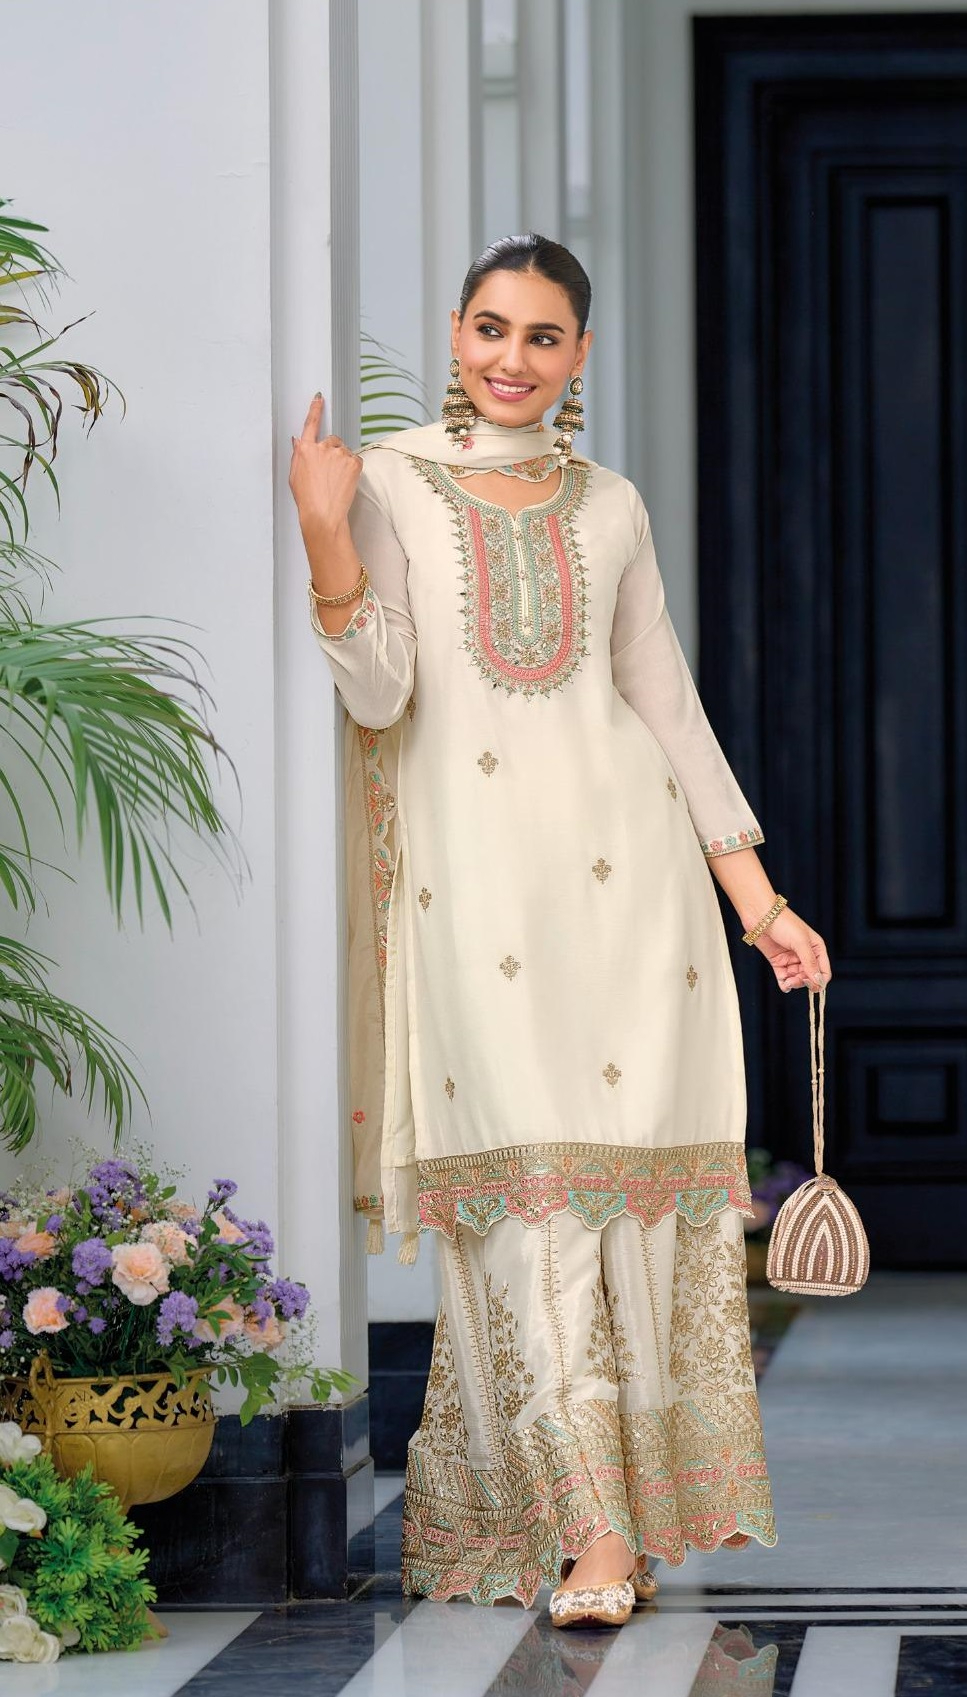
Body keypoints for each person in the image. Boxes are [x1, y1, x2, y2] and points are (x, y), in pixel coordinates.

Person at [288, 233, 832, 1628]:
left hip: (631, 891)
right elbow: (378, 691)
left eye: (542, 336)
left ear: (580, 354)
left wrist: (759, 902)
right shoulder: (390, 481)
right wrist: (324, 533)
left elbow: (666, 705)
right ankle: (588, 1526)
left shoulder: (612, 506)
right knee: (526, 1203)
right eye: (491, 328)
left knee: (615, 1203)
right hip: (471, 897)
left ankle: (611, 1527)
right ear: (454, 331)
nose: (512, 359)